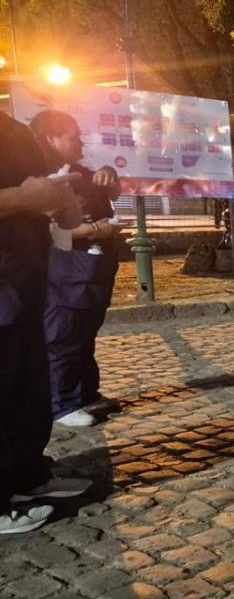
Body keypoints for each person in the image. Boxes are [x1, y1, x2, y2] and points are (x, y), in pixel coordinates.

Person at [0, 112, 91, 534]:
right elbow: (22, 194)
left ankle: (25, 478)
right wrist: (23, 197)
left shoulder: (11, 127)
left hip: (24, 279)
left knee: (27, 390)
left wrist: (60, 199)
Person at [27, 110, 125, 429]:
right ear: (50, 138)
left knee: (85, 331)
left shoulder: (79, 172)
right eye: (73, 137)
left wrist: (109, 174)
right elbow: (46, 227)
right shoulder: (38, 176)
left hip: (93, 265)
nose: (80, 142)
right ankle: (62, 403)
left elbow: (110, 192)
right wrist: (95, 230)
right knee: (64, 332)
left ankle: (85, 394)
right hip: (66, 268)